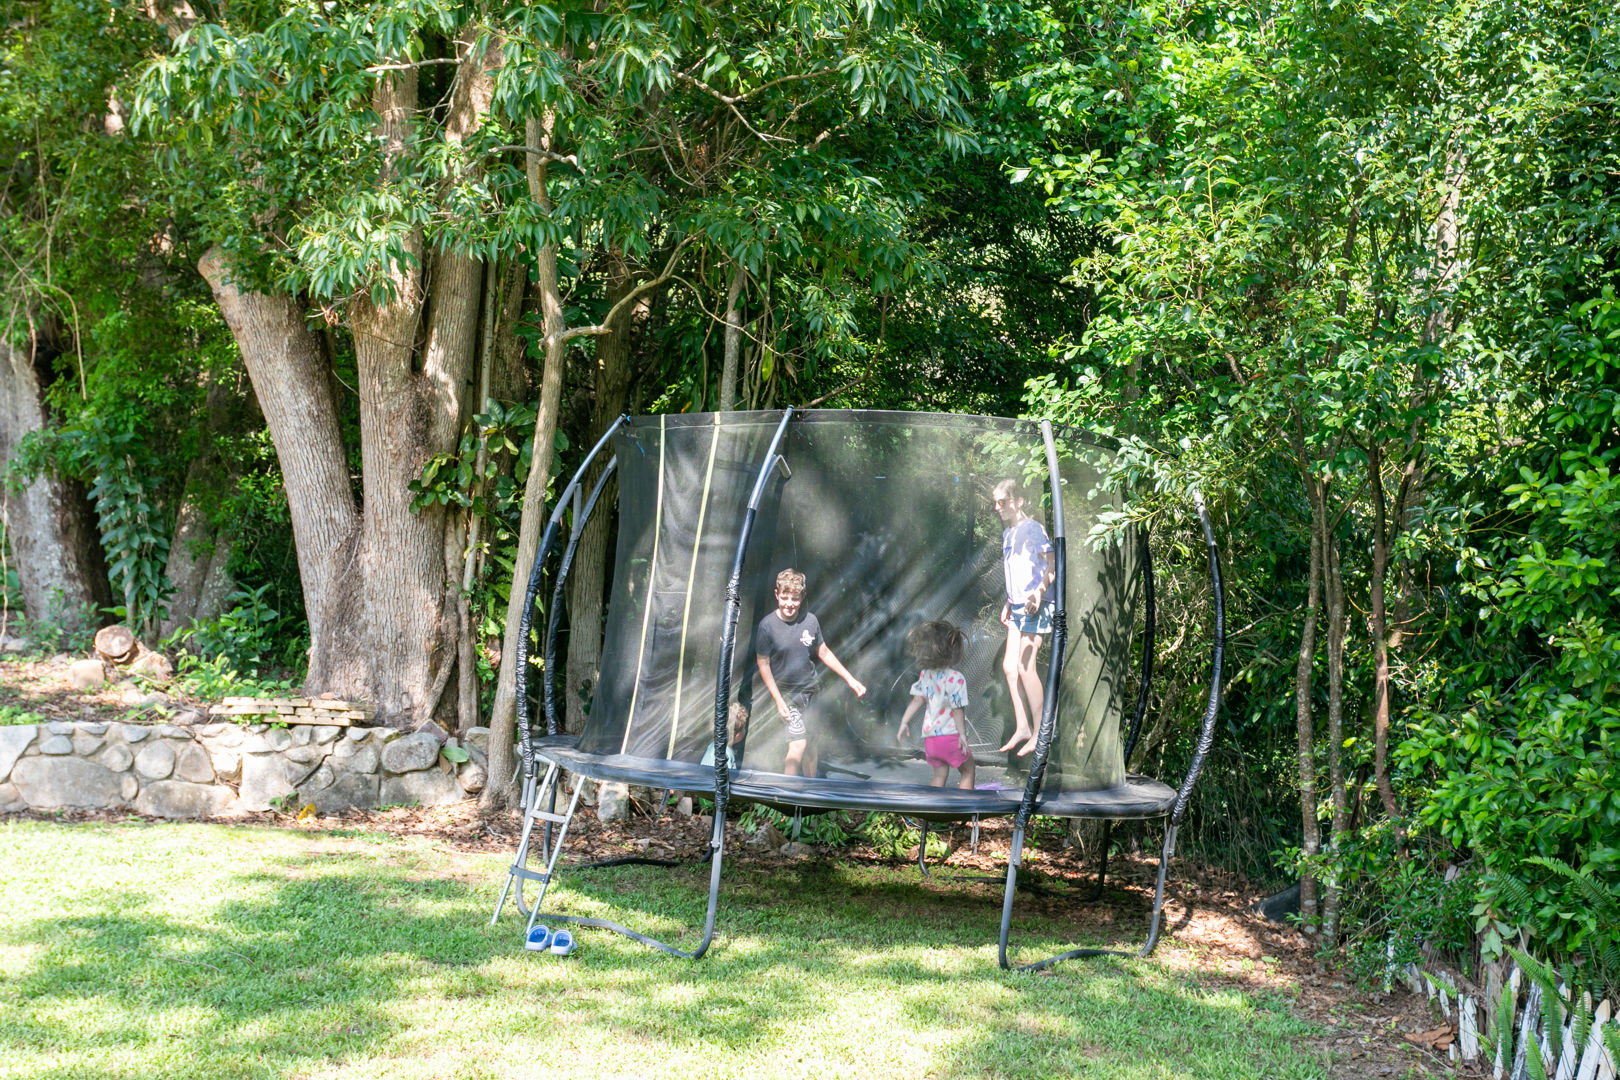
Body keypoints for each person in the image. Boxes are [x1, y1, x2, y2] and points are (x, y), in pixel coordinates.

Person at [755, 568, 866, 777]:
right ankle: (788, 792)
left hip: (811, 691)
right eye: (785, 597)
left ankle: (809, 791)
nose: (789, 603)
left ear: (802, 597)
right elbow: (763, 663)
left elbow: (823, 651)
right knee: (798, 744)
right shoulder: (767, 626)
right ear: (777, 595)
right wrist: (778, 700)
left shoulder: (810, 621)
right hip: (788, 695)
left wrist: (850, 679)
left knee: (811, 744)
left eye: (795, 598)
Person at [994, 477, 1054, 756]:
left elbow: (1052, 565)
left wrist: (1039, 592)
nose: (998, 508)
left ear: (1018, 501)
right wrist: (1008, 602)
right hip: (1017, 606)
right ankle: (1023, 727)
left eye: (1002, 502)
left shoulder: (1033, 528)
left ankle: (1042, 732)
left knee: (1025, 667)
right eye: (995, 503)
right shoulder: (1008, 534)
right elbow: (1015, 572)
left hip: (1035, 605)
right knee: (1009, 667)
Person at [896, 620, 975, 790]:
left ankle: (932, 806)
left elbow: (916, 700)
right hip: (950, 737)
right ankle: (965, 804)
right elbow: (957, 710)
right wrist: (962, 735)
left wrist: (904, 722)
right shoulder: (956, 678)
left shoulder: (925, 674)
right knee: (968, 771)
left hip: (930, 739)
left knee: (939, 775)